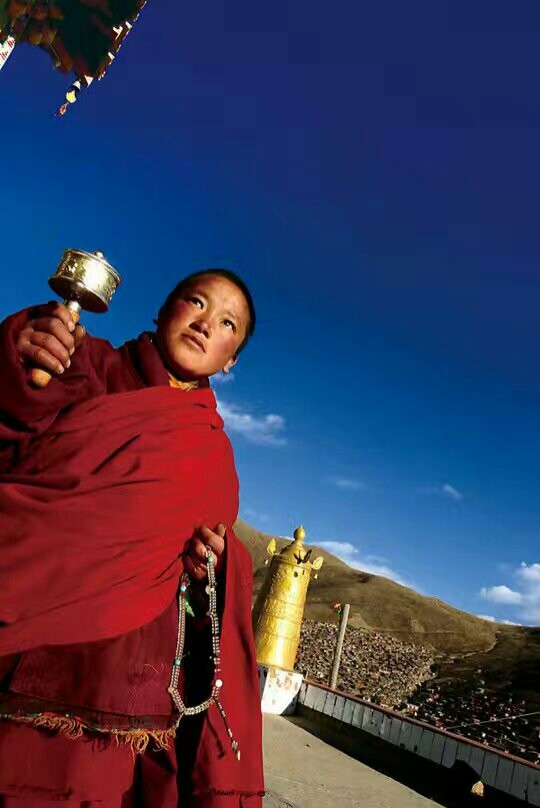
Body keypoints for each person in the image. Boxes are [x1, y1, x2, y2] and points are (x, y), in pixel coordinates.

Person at [0, 269, 264, 806]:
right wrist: (22, 350)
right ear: (163, 310)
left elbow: (204, 583)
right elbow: (18, 413)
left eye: (227, 324)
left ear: (230, 360)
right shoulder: (86, 364)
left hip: (126, 681)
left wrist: (214, 565)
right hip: (26, 637)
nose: (206, 324)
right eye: (196, 302)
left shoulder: (213, 455)